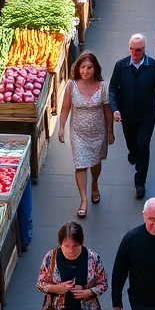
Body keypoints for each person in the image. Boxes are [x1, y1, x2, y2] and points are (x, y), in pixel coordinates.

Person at [108, 34, 155, 198]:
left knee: (143, 145)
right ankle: (132, 153)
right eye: (133, 50)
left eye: (139, 50)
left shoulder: (153, 66)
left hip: (147, 116)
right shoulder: (121, 66)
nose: (135, 53)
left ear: (144, 49)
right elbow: (112, 89)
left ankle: (140, 182)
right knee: (132, 144)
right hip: (127, 116)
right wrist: (115, 109)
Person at [58, 52, 115, 219]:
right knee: (80, 165)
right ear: (78, 68)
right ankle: (83, 200)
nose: (85, 71)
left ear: (95, 68)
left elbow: (107, 110)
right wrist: (61, 127)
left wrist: (110, 131)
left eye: (89, 67)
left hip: (98, 132)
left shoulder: (103, 86)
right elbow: (66, 108)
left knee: (95, 163)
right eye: (82, 67)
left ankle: (95, 183)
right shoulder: (71, 86)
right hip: (78, 133)